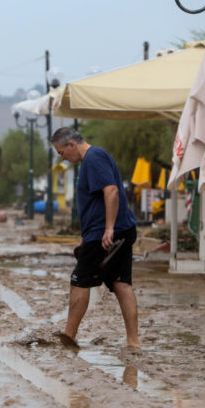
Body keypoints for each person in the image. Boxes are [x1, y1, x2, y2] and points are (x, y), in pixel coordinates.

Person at [50, 127, 140, 350]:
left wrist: (108, 229)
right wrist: (87, 236)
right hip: (110, 231)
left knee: (79, 280)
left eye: (61, 152)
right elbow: (96, 201)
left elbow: (111, 191)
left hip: (108, 233)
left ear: (71, 144)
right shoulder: (91, 160)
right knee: (121, 283)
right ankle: (133, 342)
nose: (62, 158)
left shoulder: (94, 157)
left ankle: (69, 337)